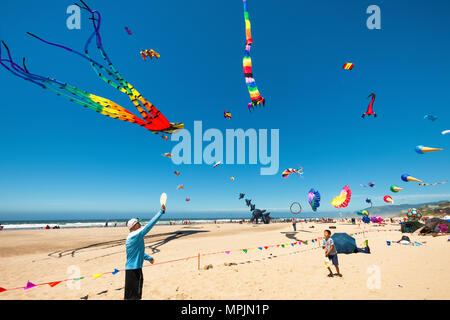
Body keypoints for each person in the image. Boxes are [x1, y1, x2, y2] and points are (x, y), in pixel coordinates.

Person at [124, 203, 166, 300]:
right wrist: (161, 212)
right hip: (135, 270)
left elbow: (138, 252)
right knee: (136, 297)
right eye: (138, 223)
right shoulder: (136, 234)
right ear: (134, 226)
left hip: (129, 270)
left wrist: (148, 258)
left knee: (129, 297)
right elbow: (149, 226)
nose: (140, 224)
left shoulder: (130, 236)